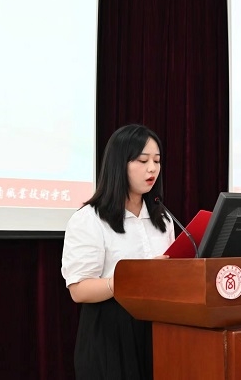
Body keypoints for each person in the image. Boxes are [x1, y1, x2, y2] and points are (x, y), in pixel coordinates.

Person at [61, 124, 174, 379]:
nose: (152, 168)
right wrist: (132, 278)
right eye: (142, 161)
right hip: (110, 332)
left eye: (157, 161)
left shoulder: (164, 218)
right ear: (119, 164)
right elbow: (79, 290)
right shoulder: (89, 219)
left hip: (159, 329)